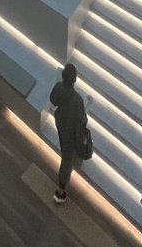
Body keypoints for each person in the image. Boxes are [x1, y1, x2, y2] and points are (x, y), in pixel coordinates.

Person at [50, 62, 88, 205]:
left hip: (60, 123)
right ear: (75, 80)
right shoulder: (77, 100)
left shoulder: (58, 87)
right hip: (71, 132)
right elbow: (81, 120)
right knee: (67, 158)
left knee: (65, 151)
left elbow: (53, 99)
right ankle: (60, 190)